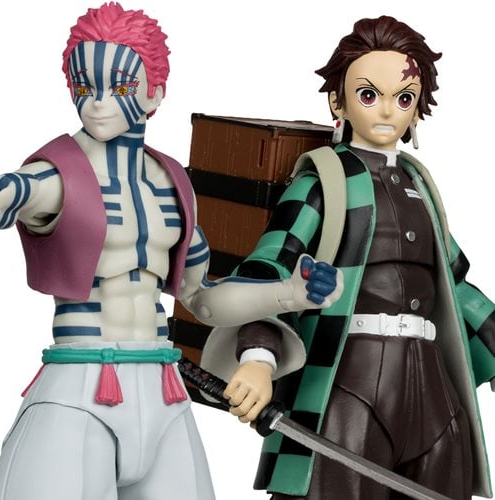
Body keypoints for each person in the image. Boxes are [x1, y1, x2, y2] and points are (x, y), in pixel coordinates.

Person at [0, 4, 343, 500]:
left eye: (119, 88)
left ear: (155, 92)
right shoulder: (53, 177)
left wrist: (289, 293)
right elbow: (9, 194)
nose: (97, 104)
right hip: (78, 388)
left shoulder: (172, 184)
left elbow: (203, 299)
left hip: (162, 392)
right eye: (84, 86)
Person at [201, 15, 494, 500]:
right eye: (369, 94)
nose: (388, 110)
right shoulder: (323, 180)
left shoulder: (420, 186)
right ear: (338, 102)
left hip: (432, 390)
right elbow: (271, 265)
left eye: (404, 98)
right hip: (345, 382)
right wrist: (257, 356)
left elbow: (454, 283)